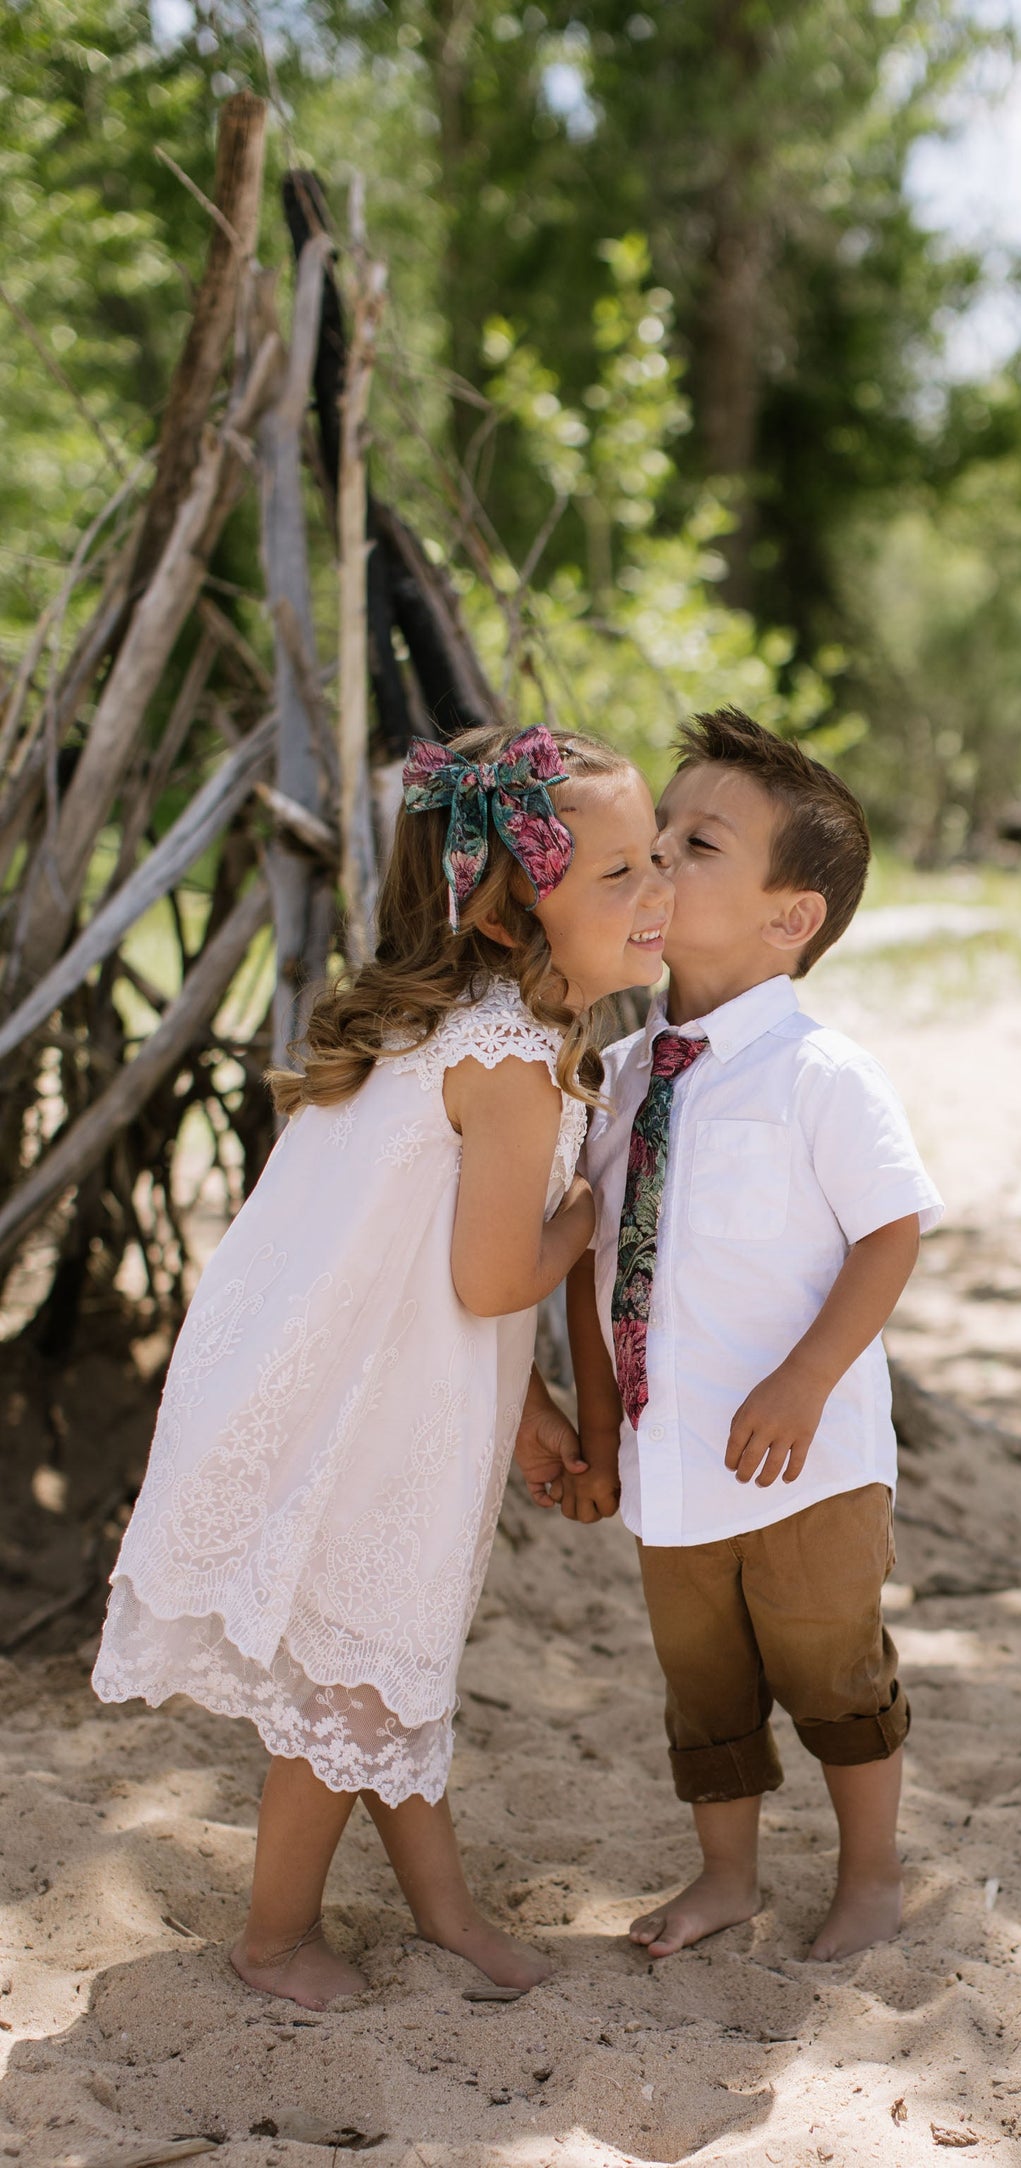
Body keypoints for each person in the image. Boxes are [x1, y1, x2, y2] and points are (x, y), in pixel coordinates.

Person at [92, 721, 672, 2011]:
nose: (657, 895)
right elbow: (488, 1276)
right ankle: (274, 1933)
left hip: (377, 1380)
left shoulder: (464, 1022)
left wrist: (528, 1410)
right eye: (619, 875)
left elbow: (423, 1263)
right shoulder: (512, 1060)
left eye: (655, 862)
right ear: (518, 917)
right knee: (359, 1669)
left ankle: (444, 1906)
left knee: (390, 1652)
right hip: (369, 1412)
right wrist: (596, 1208)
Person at [562, 707, 942, 1963]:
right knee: (704, 1683)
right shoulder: (621, 1078)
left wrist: (803, 1377)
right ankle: (725, 1873)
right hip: (674, 1458)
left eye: (696, 844)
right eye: (655, 833)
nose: (655, 860)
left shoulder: (816, 1071)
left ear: (793, 917)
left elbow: (889, 1233)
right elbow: (595, 1251)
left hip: (807, 1460)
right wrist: (600, 1420)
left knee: (831, 1669)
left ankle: (872, 1874)